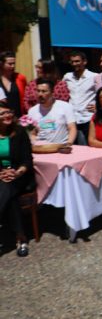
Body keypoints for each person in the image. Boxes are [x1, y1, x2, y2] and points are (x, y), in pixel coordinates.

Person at [0, 100, 34, 257]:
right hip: (2, 176)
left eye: (9, 112)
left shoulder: (20, 132)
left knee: (9, 187)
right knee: (9, 193)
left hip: (21, 176)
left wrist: (17, 172)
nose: (7, 115)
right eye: (2, 113)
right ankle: (21, 237)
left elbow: (27, 160)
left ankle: (20, 237)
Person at [27, 78, 77, 145]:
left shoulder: (65, 107)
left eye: (44, 91)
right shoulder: (32, 111)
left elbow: (72, 128)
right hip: (41, 149)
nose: (40, 94)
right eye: (38, 91)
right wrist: (35, 143)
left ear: (52, 93)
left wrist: (69, 144)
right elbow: (32, 133)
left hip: (61, 148)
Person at [63, 51, 96, 145]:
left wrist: (98, 107)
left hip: (88, 118)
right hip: (72, 119)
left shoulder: (94, 77)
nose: (74, 64)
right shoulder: (67, 77)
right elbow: (62, 93)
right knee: (75, 147)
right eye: (72, 61)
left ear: (84, 62)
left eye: (77, 61)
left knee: (90, 147)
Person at [0, 51, 28, 117]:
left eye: (14, 63)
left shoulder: (20, 78)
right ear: (1, 64)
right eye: (10, 64)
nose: (13, 66)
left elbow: (25, 98)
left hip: (19, 117)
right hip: (3, 119)